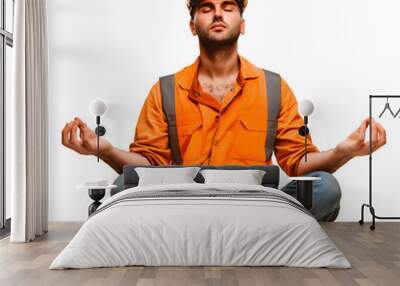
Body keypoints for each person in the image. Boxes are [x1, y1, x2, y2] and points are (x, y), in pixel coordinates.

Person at [61, 0, 387, 221]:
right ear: (193, 25)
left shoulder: (274, 87)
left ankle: (234, 231)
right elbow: (148, 164)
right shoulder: (164, 90)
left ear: (241, 24)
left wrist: (345, 152)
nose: (218, 14)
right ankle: (258, 237)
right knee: (122, 186)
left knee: (325, 186)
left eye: (227, 7)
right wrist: (101, 149)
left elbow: (299, 163)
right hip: (183, 203)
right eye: (207, 8)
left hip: (256, 204)